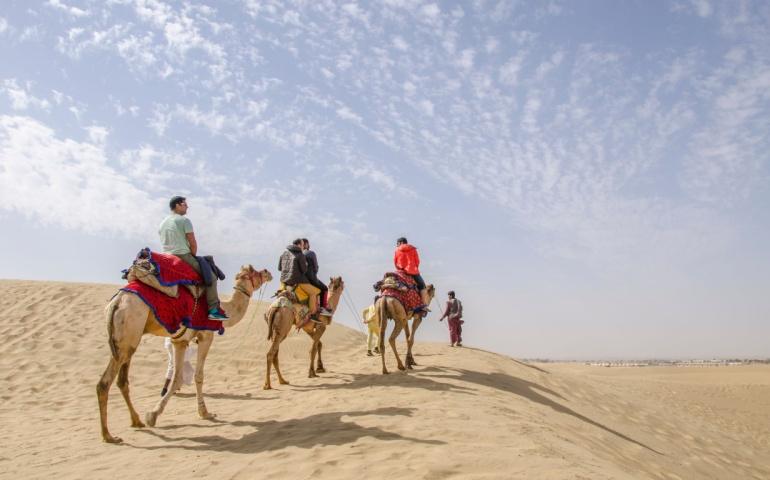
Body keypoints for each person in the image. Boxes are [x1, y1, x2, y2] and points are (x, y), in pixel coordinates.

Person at [158, 196, 228, 320]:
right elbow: (193, 243)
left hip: (166, 257)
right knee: (210, 277)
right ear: (177, 205)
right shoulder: (184, 220)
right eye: (184, 204)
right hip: (182, 255)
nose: (187, 206)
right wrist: (192, 256)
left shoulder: (162, 223)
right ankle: (213, 310)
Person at [278, 238, 321, 315]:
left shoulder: (283, 253)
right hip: (298, 281)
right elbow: (304, 270)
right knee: (314, 293)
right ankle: (311, 314)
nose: (303, 247)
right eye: (302, 245)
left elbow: (279, 268)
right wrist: (306, 265)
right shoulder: (300, 254)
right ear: (298, 245)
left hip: (284, 281)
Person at [393, 237, 429, 306]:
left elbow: (395, 262)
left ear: (401, 243)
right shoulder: (413, 249)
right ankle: (424, 305)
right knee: (422, 286)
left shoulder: (397, 250)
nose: (397, 246)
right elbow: (417, 261)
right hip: (412, 272)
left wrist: (399, 269)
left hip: (400, 271)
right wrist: (414, 268)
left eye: (397, 244)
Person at [301, 238, 332, 315]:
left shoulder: (298, 254)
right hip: (311, 279)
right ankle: (322, 308)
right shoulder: (311, 253)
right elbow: (316, 267)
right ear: (307, 244)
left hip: (300, 279)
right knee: (324, 288)